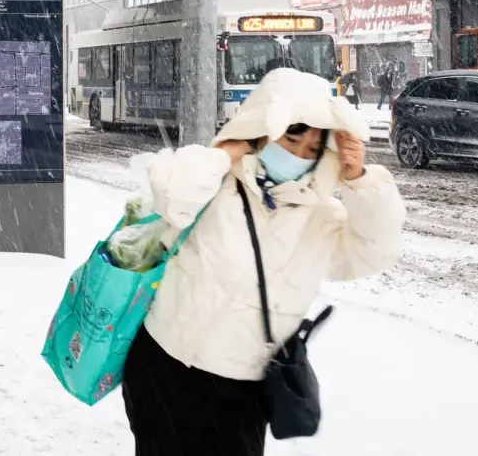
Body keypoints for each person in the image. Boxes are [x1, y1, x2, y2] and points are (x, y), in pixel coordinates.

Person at [123, 68, 405, 455]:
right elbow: (170, 195)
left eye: (312, 149)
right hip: (166, 365)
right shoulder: (217, 181)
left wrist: (360, 180)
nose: (299, 155)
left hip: (241, 388)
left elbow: (374, 252)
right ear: (265, 128)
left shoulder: (321, 216)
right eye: (291, 138)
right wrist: (232, 150)